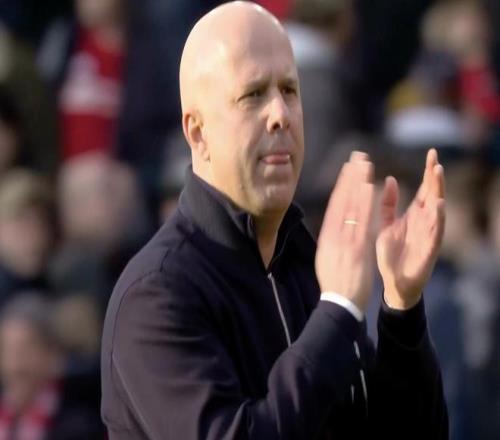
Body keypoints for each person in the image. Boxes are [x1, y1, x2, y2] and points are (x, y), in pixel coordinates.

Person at [101, 2, 448, 439]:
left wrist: (401, 309)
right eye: (253, 95)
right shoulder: (156, 294)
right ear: (198, 132)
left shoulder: (306, 266)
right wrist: (338, 311)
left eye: (289, 90)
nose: (281, 114)